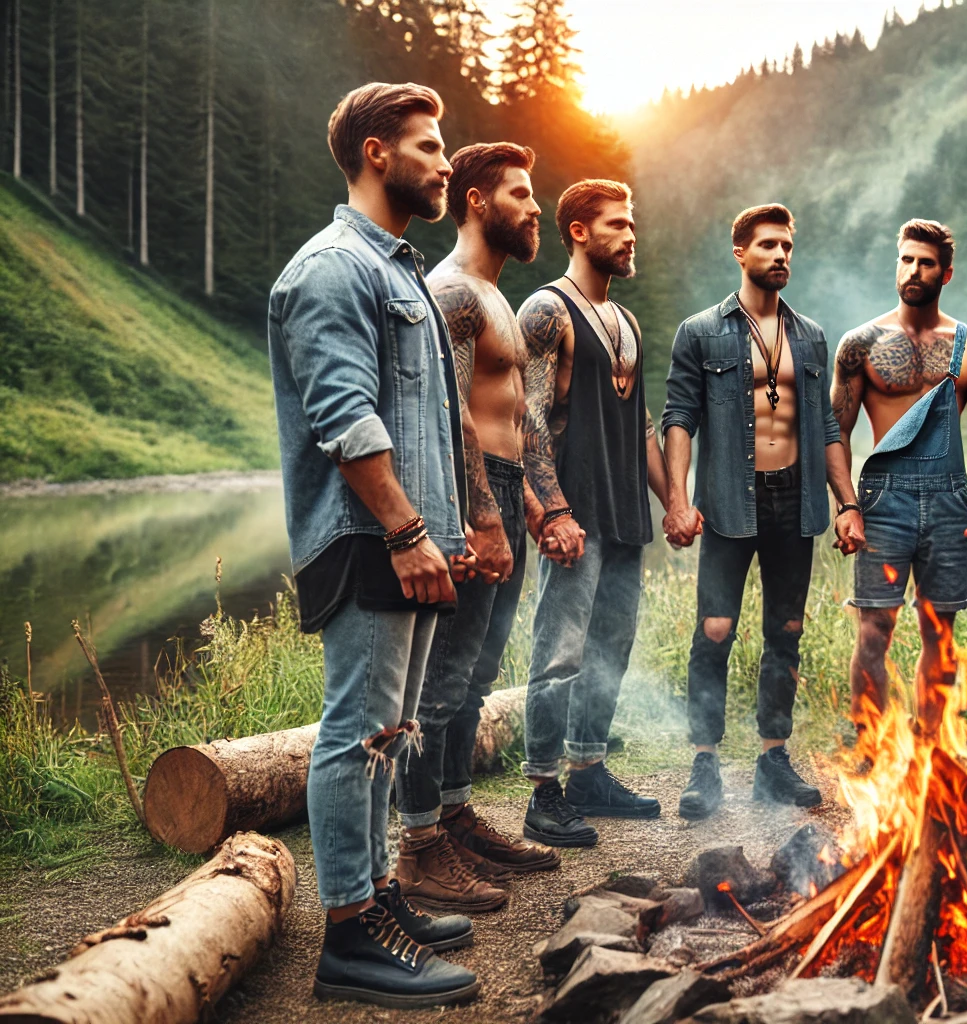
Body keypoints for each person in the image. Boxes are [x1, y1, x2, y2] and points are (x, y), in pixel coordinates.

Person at [267, 81, 480, 1008]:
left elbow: (429, 420)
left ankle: (381, 897)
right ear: (376, 154)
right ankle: (349, 936)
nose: (444, 161)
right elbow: (343, 417)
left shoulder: (399, 270)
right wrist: (403, 530)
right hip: (367, 539)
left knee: (393, 734)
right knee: (355, 733)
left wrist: (451, 527)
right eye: (429, 146)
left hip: (412, 538)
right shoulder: (332, 269)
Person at [394, 142, 562, 910]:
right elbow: (453, 411)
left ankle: (456, 815)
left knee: (477, 676)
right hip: (466, 499)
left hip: (501, 494)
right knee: (442, 682)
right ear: (475, 202)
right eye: (522, 195)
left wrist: (535, 500)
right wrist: (483, 515)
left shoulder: (496, 296)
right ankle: (419, 845)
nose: (534, 210)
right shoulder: (454, 293)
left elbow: (515, 414)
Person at [661, 204, 865, 820]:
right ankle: (704, 764)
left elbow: (826, 424)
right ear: (740, 252)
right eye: (769, 245)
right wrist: (677, 499)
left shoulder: (809, 335)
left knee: (787, 632)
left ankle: (773, 760)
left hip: (793, 500)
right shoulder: (700, 331)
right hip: (727, 500)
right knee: (715, 630)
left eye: (787, 247)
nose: (781, 256)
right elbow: (679, 418)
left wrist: (847, 502)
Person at [515, 179, 674, 844]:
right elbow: (525, 418)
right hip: (574, 514)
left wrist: (676, 503)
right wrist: (552, 512)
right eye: (616, 224)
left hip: (623, 511)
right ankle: (542, 791)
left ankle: (589, 771)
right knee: (560, 652)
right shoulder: (547, 311)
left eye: (631, 223)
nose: (630, 234)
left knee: (610, 647)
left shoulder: (627, 321)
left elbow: (640, 425)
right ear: (578, 230)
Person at [832, 219, 967, 735]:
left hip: (950, 498)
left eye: (926, 262)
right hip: (883, 500)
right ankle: (871, 746)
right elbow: (833, 433)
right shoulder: (860, 343)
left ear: (945, 273)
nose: (914, 270)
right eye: (906, 259)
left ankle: (928, 752)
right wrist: (846, 507)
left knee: (938, 630)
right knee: (875, 628)